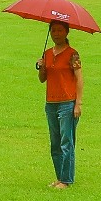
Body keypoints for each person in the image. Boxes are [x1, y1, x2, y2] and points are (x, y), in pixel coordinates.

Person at [36, 22, 82, 188]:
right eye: (53, 30)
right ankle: (59, 177)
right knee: (55, 143)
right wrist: (41, 68)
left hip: (67, 103)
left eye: (60, 30)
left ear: (66, 32)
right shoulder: (47, 54)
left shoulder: (73, 54)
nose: (56, 33)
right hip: (51, 104)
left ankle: (66, 179)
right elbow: (43, 79)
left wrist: (78, 103)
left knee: (66, 142)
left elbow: (79, 78)